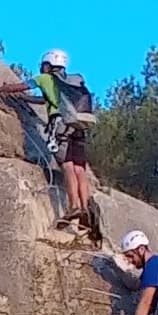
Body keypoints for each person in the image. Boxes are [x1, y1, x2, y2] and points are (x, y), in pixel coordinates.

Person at [34, 49, 99, 235]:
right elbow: (47, 100)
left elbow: (21, 86)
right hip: (80, 126)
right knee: (80, 169)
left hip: (63, 127)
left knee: (68, 167)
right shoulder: (74, 81)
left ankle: (74, 207)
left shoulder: (46, 79)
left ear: (48, 65)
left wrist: (4, 90)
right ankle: (86, 208)